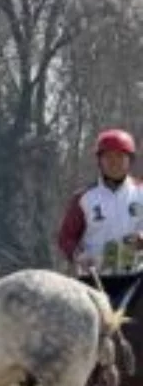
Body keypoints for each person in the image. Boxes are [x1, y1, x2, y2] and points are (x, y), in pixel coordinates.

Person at [57, 128, 143, 303]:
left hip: (135, 280)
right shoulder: (83, 198)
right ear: (99, 161)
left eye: (120, 157)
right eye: (108, 157)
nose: (114, 162)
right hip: (93, 282)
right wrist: (78, 255)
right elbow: (66, 237)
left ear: (130, 161)